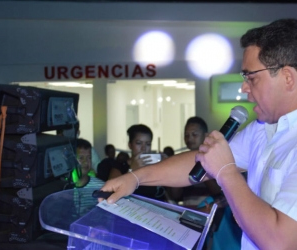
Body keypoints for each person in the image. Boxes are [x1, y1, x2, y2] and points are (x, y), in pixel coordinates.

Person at [99, 19, 297, 250]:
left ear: (287, 78)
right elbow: (200, 161)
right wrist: (135, 178)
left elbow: (280, 241)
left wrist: (226, 173)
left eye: (251, 78)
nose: (243, 88)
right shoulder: (263, 129)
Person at [108, 124, 165, 201]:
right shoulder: (119, 166)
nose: (143, 148)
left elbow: (175, 194)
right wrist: (131, 170)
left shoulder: (155, 166)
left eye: (148, 144)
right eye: (138, 143)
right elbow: (112, 193)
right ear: (130, 145)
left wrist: (169, 165)